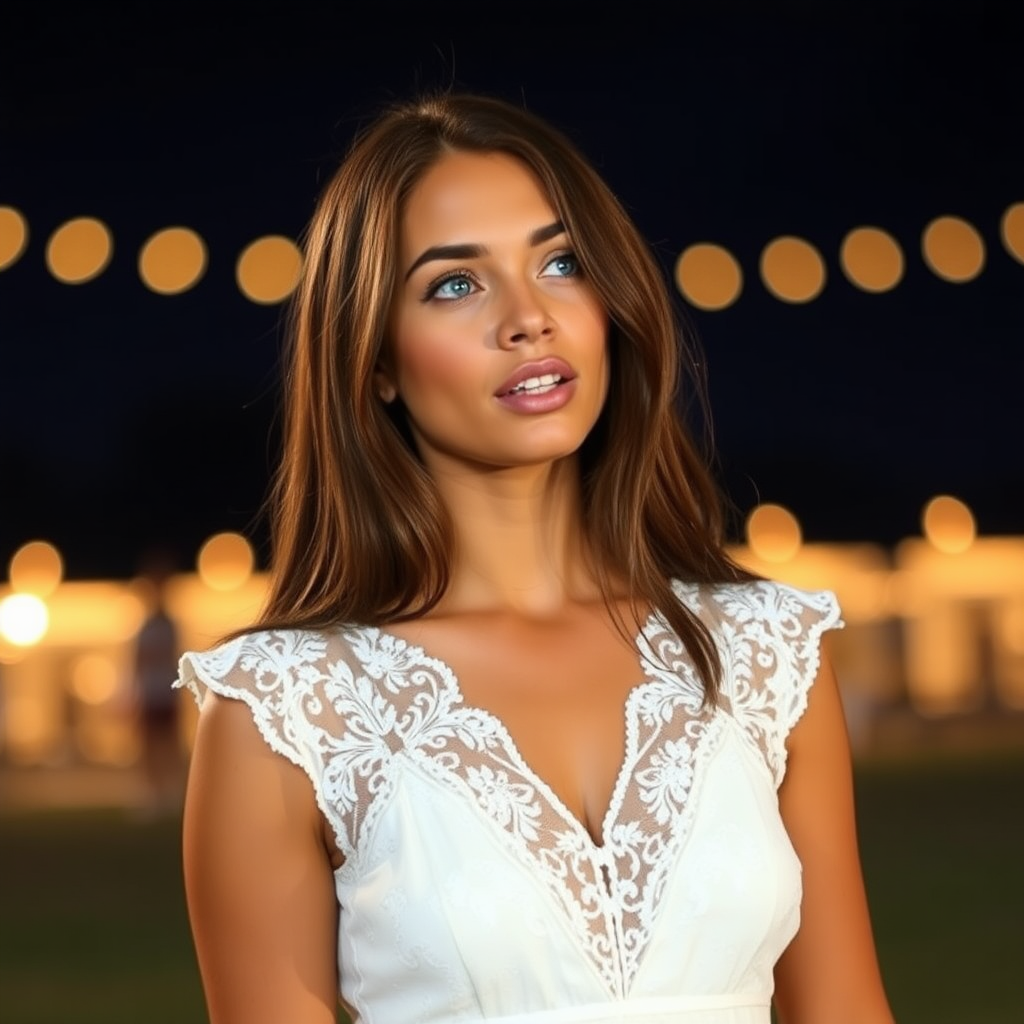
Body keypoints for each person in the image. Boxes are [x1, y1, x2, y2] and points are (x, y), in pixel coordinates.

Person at [175, 92, 895, 1024]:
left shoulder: (765, 654)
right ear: (375, 360)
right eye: (454, 284)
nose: (528, 318)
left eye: (561, 263)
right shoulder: (284, 713)